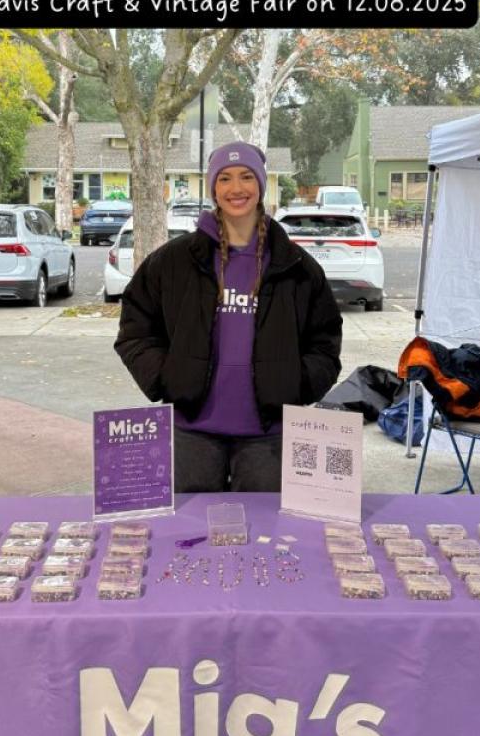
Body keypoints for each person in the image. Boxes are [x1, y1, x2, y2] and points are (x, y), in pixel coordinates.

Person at [115, 141, 343, 491]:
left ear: (261, 184)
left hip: (269, 436)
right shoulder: (174, 261)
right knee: (189, 525)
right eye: (225, 178)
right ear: (213, 188)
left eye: (246, 176)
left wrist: (296, 385)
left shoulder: (296, 266)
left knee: (264, 524)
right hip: (191, 433)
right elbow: (136, 328)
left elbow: (324, 341)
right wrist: (165, 378)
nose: (236, 188)